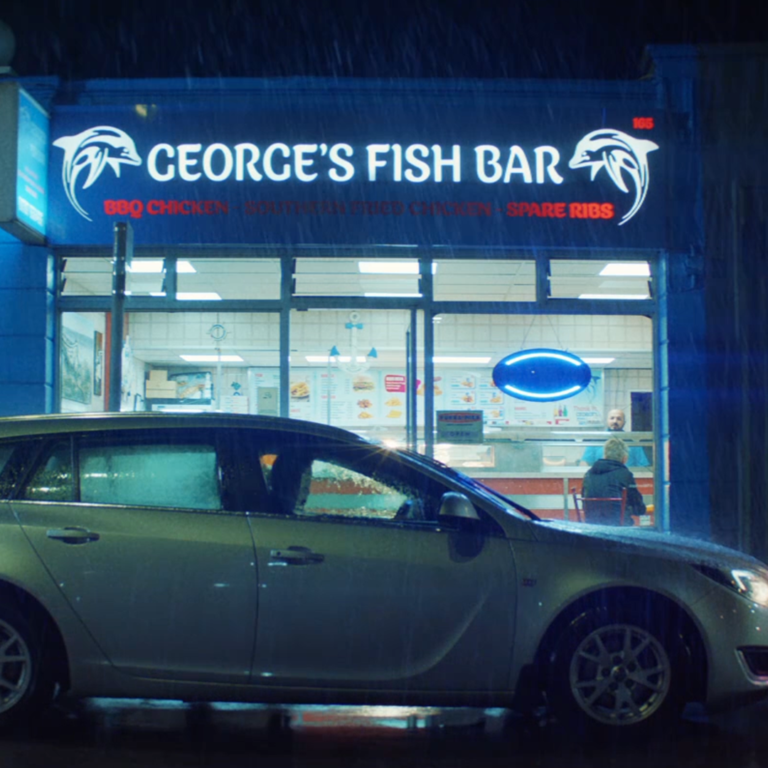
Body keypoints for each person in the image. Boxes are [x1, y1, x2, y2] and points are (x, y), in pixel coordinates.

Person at [581, 437, 646, 525]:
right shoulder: (625, 475)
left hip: (592, 526)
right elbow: (638, 508)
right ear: (625, 458)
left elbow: (584, 504)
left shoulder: (589, 474)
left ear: (605, 456)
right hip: (619, 528)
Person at [577, 408, 650, 468]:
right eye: (612, 418)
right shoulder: (596, 441)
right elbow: (584, 463)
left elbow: (643, 467)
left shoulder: (633, 443)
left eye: (619, 419)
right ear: (607, 421)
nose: (615, 421)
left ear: (624, 422)